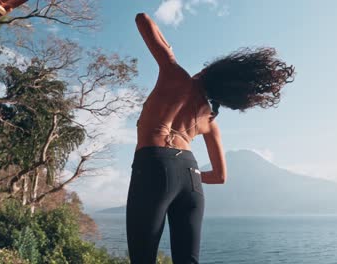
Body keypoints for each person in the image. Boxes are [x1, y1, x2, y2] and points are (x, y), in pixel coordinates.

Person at [126, 12, 295, 264]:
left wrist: (169, 51)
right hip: (191, 176)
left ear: (211, 70)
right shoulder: (209, 120)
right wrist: (189, 176)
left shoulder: (175, 74)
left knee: (143, 258)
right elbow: (219, 176)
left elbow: (142, 19)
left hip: (154, 162)